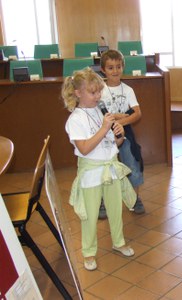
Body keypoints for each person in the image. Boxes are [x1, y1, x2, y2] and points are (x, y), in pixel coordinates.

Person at [63, 68, 136, 271]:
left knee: (115, 208)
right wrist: (104, 128)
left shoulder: (100, 111)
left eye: (98, 92)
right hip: (91, 172)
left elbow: (113, 144)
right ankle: (88, 252)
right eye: (92, 92)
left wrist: (119, 135)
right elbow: (85, 148)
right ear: (78, 93)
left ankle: (118, 241)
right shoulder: (75, 119)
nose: (97, 97)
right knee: (90, 213)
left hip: (110, 166)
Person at [98, 49, 145, 218]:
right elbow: (99, 114)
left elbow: (137, 113)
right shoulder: (99, 89)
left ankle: (135, 199)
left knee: (132, 162)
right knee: (104, 167)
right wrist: (119, 116)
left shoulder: (128, 90)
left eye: (118, 67)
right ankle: (102, 201)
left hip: (125, 132)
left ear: (122, 67)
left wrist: (119, 121)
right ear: (103, 70)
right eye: (110, 68)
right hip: (104, 133)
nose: (115, 71)